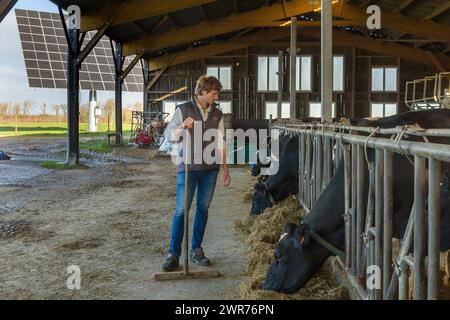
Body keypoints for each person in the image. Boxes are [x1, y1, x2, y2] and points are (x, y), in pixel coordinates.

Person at [161, 75, 231, 272]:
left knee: (203, 209)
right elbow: (168, 137)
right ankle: (173, 254)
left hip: (210, 170)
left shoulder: (217, 114)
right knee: (181, 211)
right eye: (214, 93)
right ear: (202, 91)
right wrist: (182, 126)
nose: (216, 97)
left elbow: (221, 143)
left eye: (217, 93)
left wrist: (225, 170)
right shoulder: (182, 110)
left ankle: (196, 250)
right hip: (188, 168)